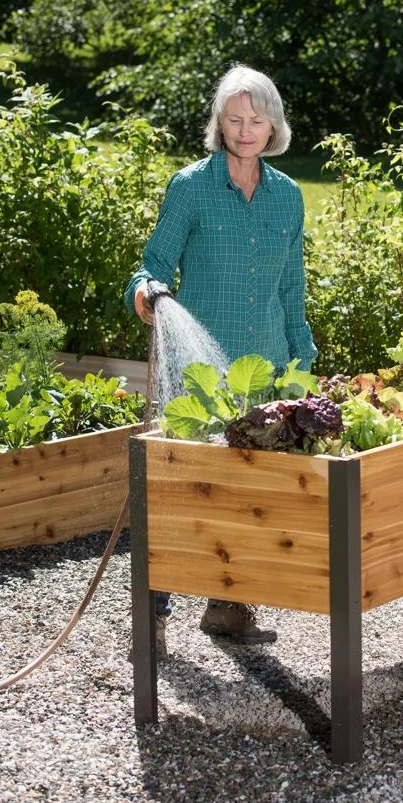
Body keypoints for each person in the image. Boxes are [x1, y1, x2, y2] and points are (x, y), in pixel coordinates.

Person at [125, 64, 317, 657]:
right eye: (234, 119)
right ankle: (153, 620)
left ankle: (229, 606)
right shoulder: (191, 187)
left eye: (255, 120)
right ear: (220, 123)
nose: (244, 130)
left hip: (264, 369)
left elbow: (292, 287)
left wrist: (303, 357)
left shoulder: (287, 196)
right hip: (199, 375)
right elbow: (152, 265)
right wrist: (146, 293)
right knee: (178, 491)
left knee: (249, 494)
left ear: (273, 126)